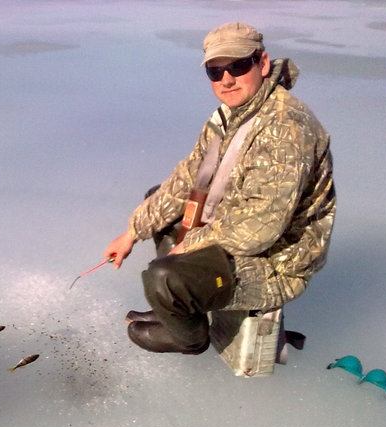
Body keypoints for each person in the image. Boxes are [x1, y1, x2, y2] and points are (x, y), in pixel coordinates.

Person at [103, 22, 336, 354]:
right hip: (242, 224)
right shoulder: (231, 115)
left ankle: (189, 335)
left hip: (278, 260)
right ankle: (179, 306)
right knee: (162, 205)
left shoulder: (287, 130)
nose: (227, 79)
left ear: (263, 63)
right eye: (215, 71)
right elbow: (188, 178)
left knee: (164, 277)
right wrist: (132, 231)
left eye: (238, 66)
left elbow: (261, 228)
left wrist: (190, 246)